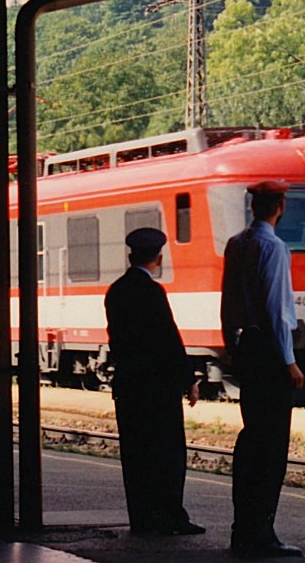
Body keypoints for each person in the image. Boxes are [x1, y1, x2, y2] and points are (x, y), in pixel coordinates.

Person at [220, 181, 305, 558]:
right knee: (271, 448)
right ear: (280, 206)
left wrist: (230, 346)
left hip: (246, 349)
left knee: (252, 440)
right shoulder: (274, 247)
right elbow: (275, 309)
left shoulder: (236, 244)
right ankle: (262, 532)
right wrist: (289, 361)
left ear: (254, 206)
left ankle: (244, 528)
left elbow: (227, 302)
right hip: (270, 355)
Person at [105, 227, 204, 537]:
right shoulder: (153, 292)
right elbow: (168, 339)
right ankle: (171, 517)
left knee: (135, 455)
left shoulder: (116, 290)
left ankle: (142, 519)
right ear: (158, 258)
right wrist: (189, 378)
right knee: (168, 453)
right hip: (158, 389)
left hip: (128, 385)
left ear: (131, 255)